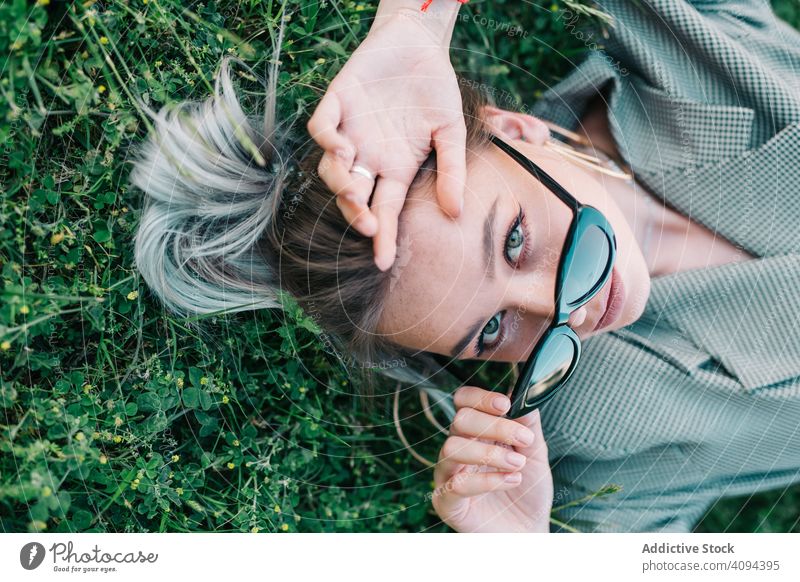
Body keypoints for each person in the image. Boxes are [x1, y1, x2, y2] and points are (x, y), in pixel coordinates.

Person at [129, 0, 800, 533]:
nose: (559, 306)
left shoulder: (675, 51)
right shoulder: (590, 432)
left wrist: (416, 24)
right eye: (491, 330)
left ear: (516, 131)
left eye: (513, 240)